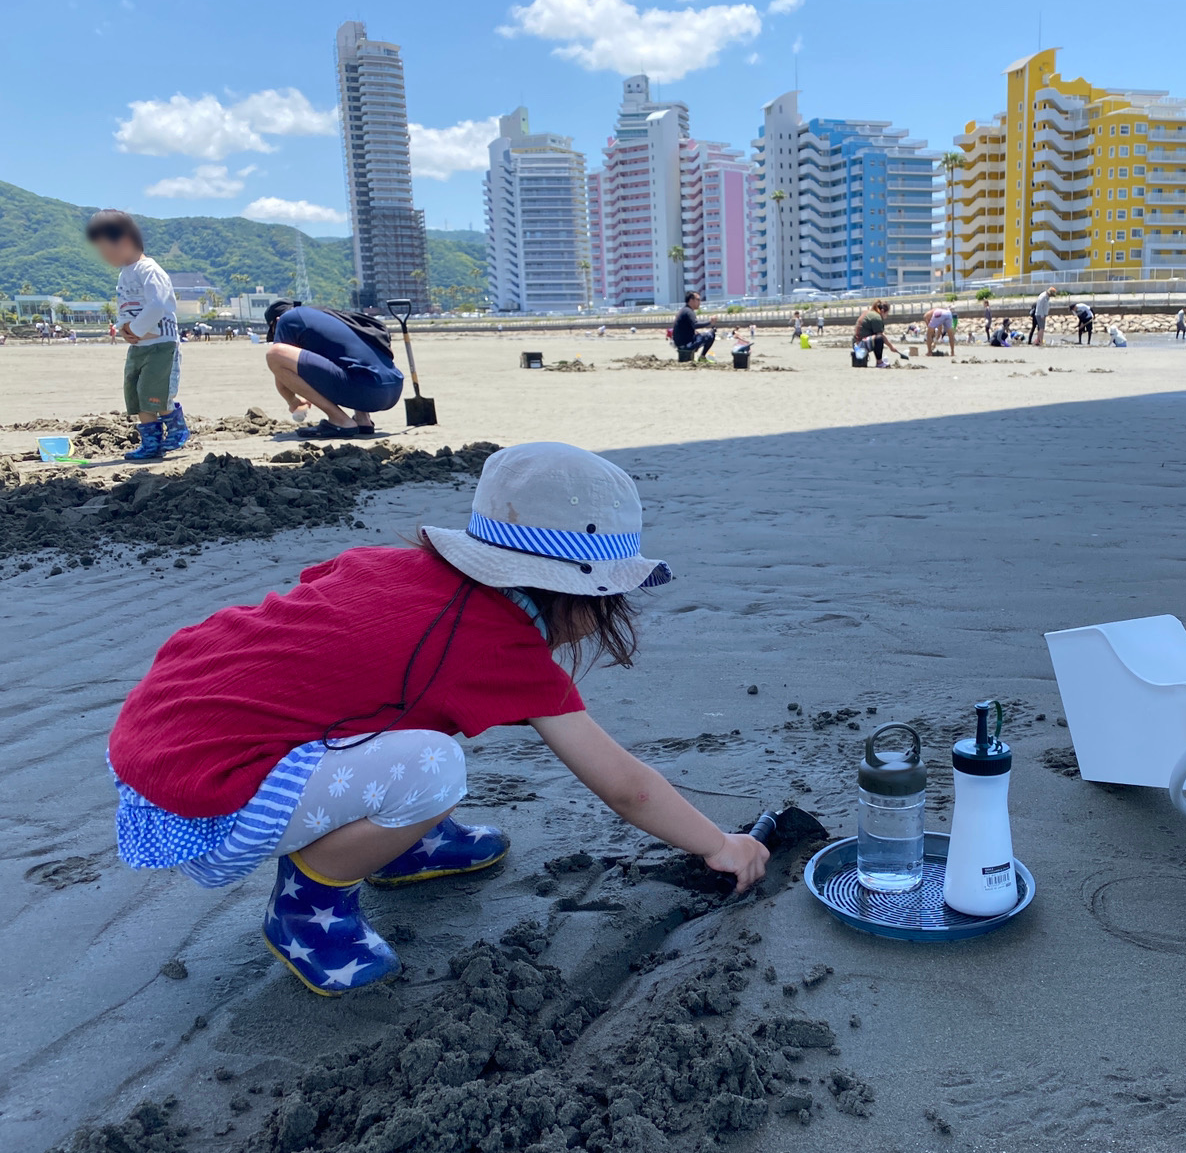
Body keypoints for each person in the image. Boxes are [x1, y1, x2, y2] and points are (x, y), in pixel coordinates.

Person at [106, 443, 771, 997]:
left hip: (159, 732)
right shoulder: (496, 647)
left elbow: (335, 646)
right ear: (582, 595)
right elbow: (625, 785)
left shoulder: (389, 568)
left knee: (406, 716)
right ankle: (306, 910)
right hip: (204, 794)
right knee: (431, 766)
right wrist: (718, 843)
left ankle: (399, 845)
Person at [86, 210, 188, 460]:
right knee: (138, 392)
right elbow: (124, 306)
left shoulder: (149, 270)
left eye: (106, 249)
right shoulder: (125, 274)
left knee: (157, 390)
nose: (104, 256)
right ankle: (150, 442)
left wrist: (137, 328)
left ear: (125, 241)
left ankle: (177, 428)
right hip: (139, 346)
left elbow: (159, 304)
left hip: (160, 344)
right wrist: (123, 327)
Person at [265, 301, 405, 438]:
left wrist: (293, 402)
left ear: (276, 321)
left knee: (275, 354)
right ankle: (363, 419)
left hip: (366, 389)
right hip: (393, 390)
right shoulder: (328, 315)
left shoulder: (286, 319)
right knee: (347, 357)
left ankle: (339, 420)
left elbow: (279, 370)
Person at [854, 300, 906, 367]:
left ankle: (879, 362)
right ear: (882, 311)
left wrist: (890, 346)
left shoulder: (869, 313)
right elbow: (880, 335)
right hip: (860, 346)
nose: (887, 316)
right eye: (887, 313)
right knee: (879, 339)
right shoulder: (876, 317)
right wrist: (891, 347)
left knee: (879, 337)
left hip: (856, 343)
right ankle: (879, 363)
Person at [673, 291, 716, 360]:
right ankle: (702, 357)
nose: (700, 302)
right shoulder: (689, 311)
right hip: (686, 345)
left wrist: (694, 332)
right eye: (698, 300)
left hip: (681, 344)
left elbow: (686, 327)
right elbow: (695, 325)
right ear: (691, 300)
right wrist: (710, 322)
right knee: (710, 334)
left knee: (701, 335)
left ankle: (699, 355)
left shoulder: (684, 310)